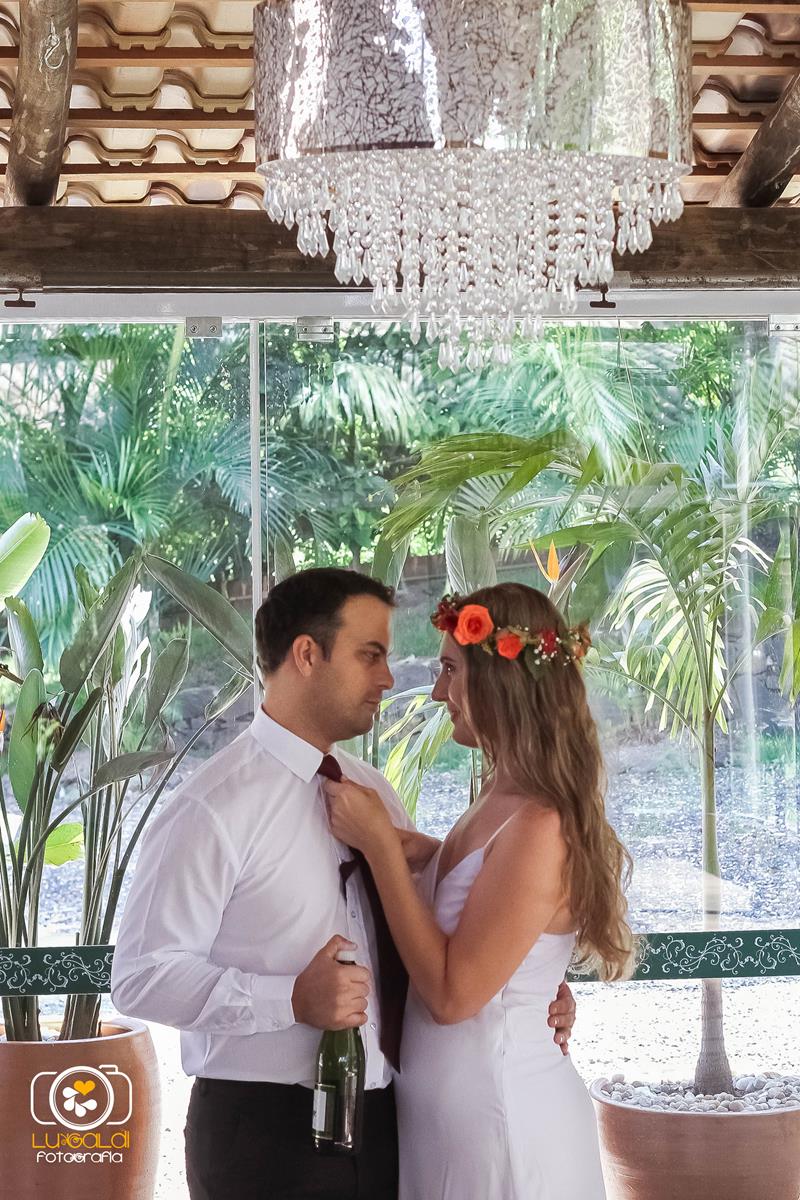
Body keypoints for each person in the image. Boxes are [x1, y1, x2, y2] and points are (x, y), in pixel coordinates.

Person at [110, 568, 577, 1200]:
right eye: (371, 655)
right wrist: (288, 1000)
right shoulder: (211, 808)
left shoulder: (374, 794)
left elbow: (436, 934)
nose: (389, 677)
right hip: (266, 1136)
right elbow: (140, 977)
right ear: (307, 655)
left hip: (396, 1127)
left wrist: (527, 982)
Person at [325, 582, 634, 1200]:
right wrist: (432, 856)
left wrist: (385, 849)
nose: (438, 692)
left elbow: (451, 995)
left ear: (500, 679)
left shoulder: (541, 822)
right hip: (454, 1124)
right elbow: (500, 907)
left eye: (449, 669)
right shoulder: (498, 796)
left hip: (507, 1126)